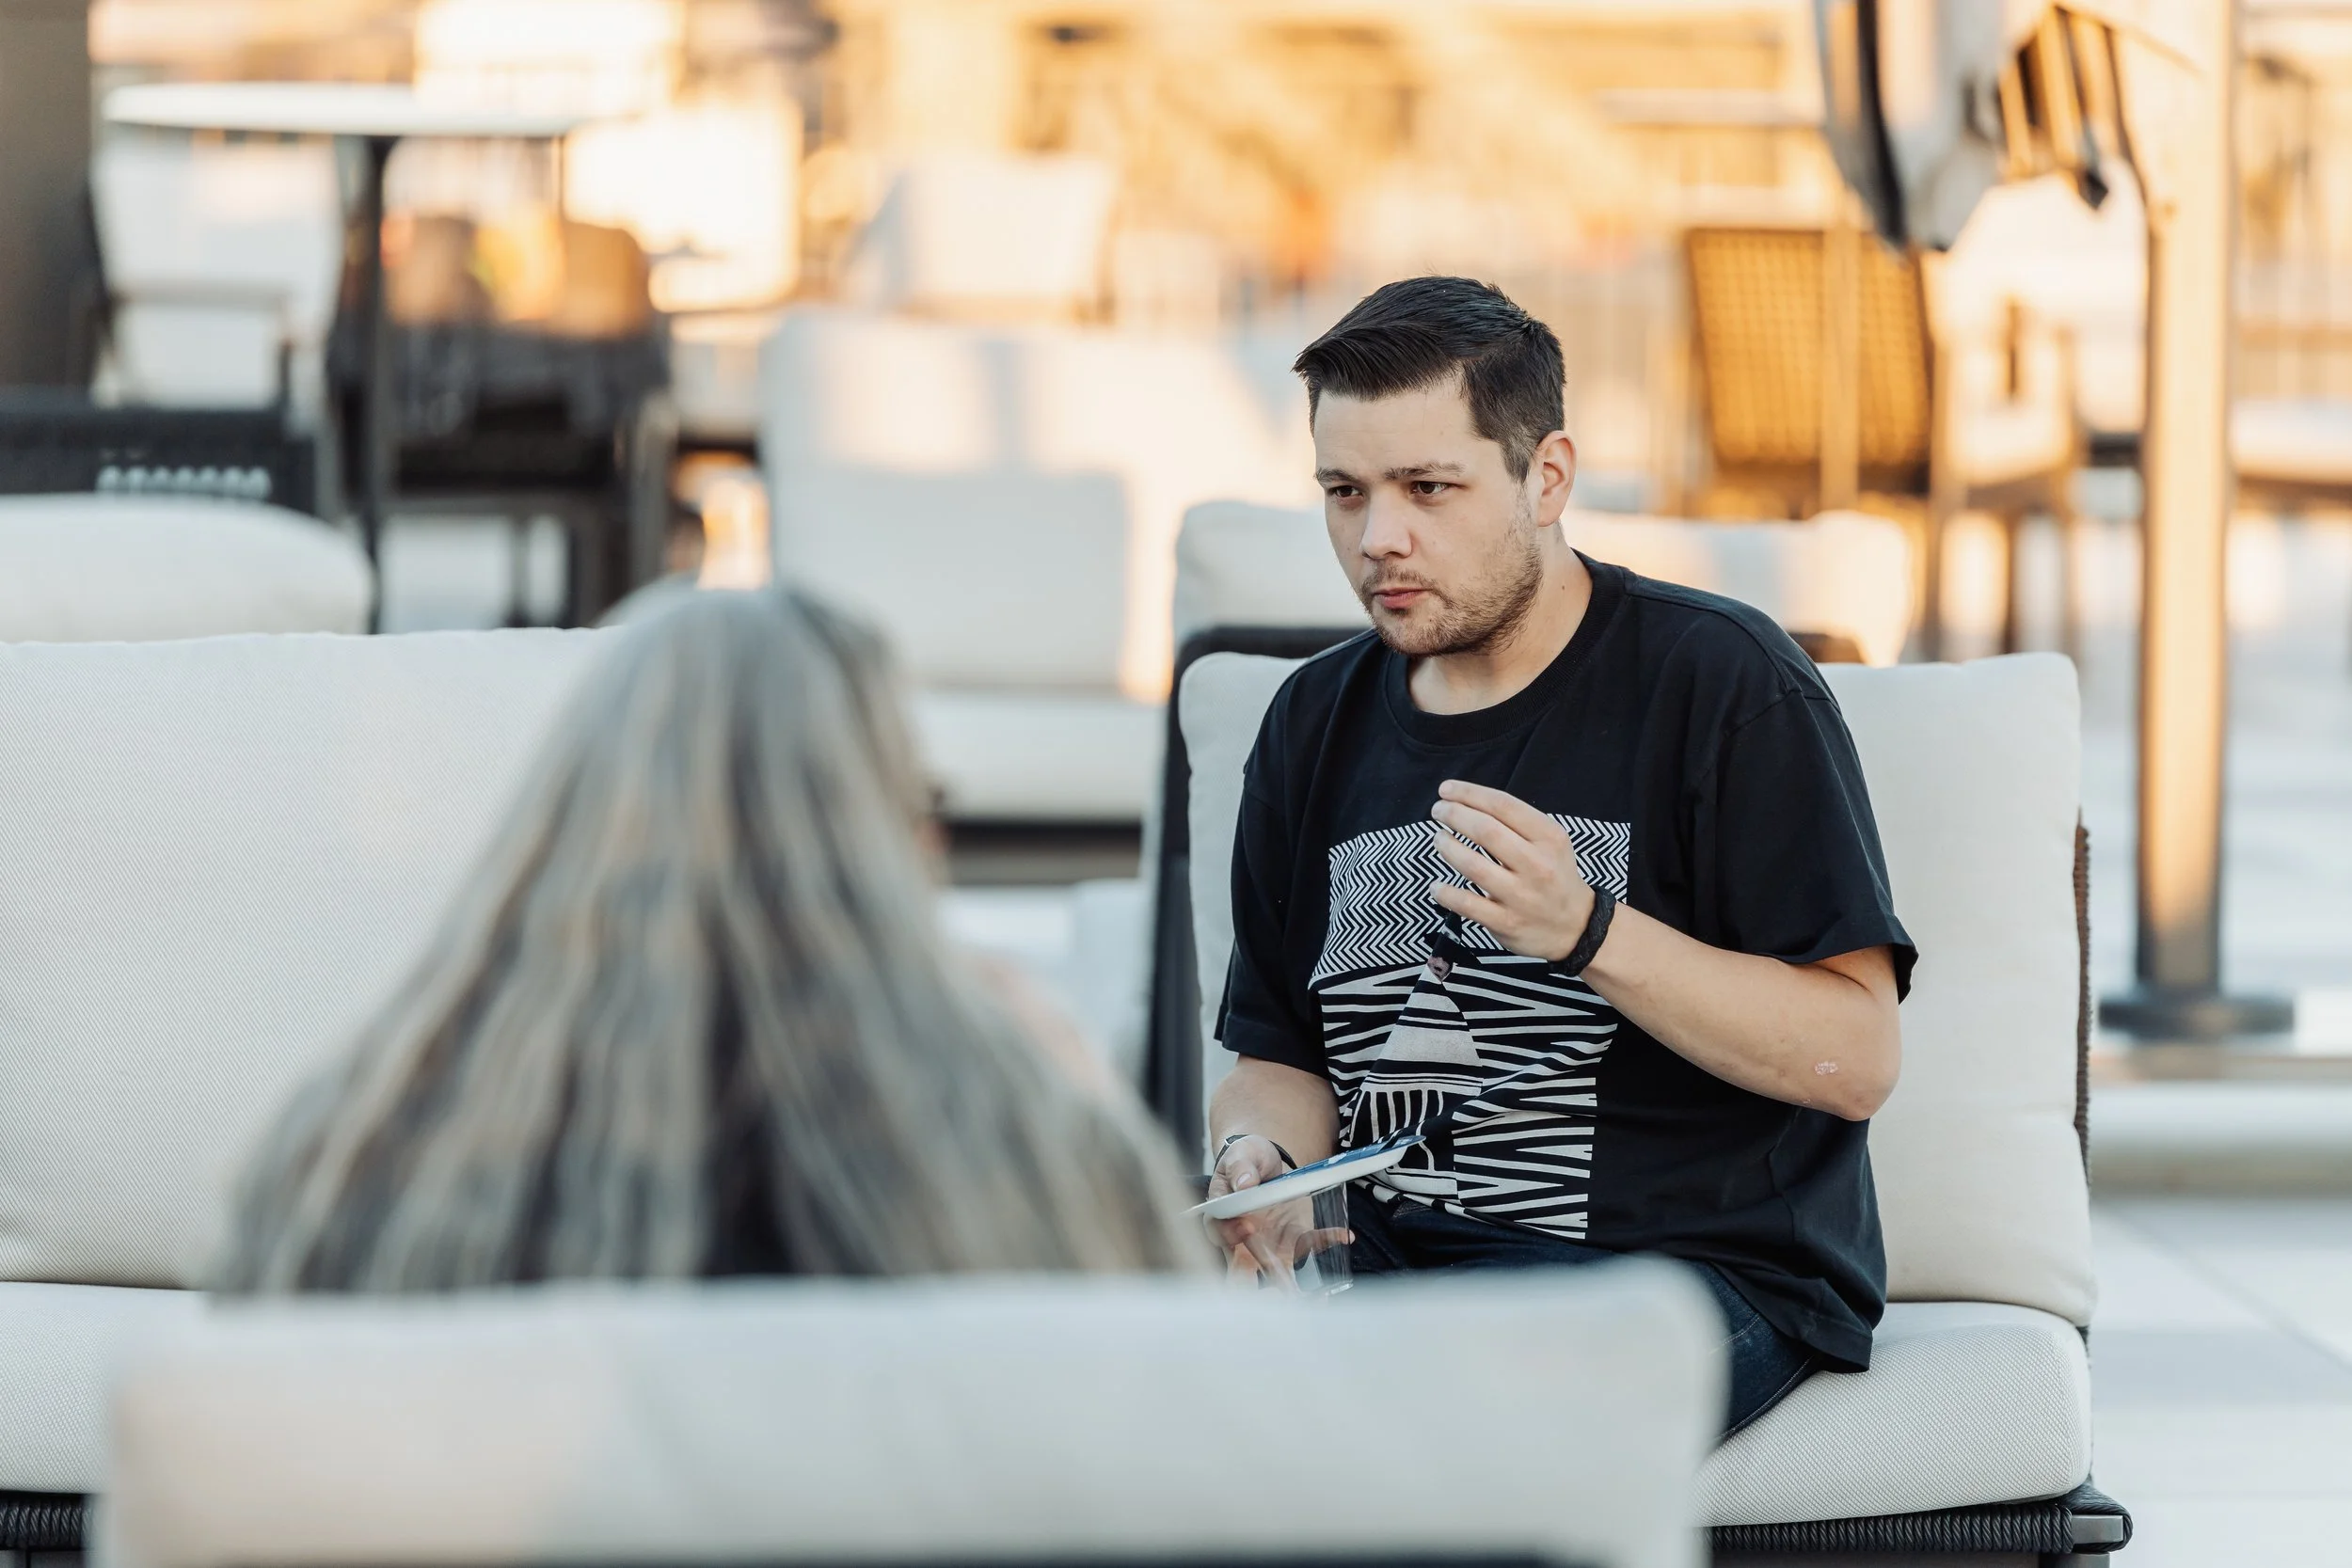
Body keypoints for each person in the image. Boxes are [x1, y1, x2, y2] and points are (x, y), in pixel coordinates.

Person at [1205, 277, 1915, 1437]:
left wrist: (1590, 931)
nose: (1379, 536)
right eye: (1345, 492)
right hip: (1401, 1287)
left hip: (1677, 1280)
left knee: (1436, 1435)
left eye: (1427, 487)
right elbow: (1277, 1053)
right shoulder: (1308, 724)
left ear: (1546, 477)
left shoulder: (1720, 685)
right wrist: (1259, 1161)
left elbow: (1857, 1052)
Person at [217, 588, 1201, 1291]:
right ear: (874, 840)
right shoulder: (1026, 1172)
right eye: (918, 801)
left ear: (566, 819)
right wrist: (1072, 1085)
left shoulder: (338, 1187)